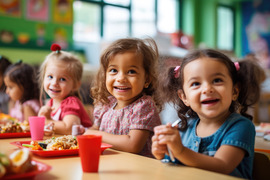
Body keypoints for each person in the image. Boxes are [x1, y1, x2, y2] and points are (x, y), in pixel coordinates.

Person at [152, 49, 263, 179]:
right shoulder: (183, 127)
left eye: (217, 80)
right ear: (184, 97)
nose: (207, 89)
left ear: (234, 91)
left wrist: (180, 151)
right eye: (196, 83)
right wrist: (162, 152)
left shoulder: (241, 126)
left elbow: (222, 166)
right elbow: (175, 163)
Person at [82, 38, 162, 158]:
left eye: (131, 72)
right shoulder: (105, 104)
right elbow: (95, 129)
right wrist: (84, 132)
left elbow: (133, 144)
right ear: (105, 76)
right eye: (114, 70)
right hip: (110, 165)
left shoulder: (144, 106)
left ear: (147, 79)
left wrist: (95, 135)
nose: (121, 78)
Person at [38, 44, 92, 135]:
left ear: (75, 85)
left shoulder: (71, 103)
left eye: (62, 79)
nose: (54, 83)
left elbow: (70, 128)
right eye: (50, 77)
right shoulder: (50, 103)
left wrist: (46, 121)